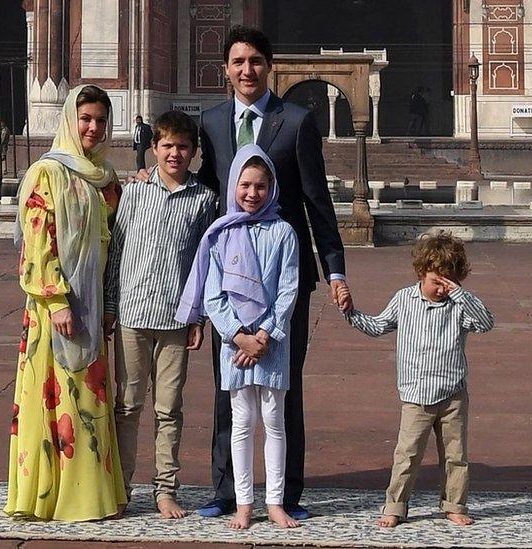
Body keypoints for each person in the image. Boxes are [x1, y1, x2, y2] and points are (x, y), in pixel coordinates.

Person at [193, 25, 352, 520]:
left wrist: (335, 269)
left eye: (256, 61)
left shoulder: (297, 120)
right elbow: (204, 191)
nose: (247, 70)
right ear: (226, 68)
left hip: (284, 274)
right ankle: (226, 490)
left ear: (268, 67)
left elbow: (316, 200)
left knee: (287, 386)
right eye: (238, 62)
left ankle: (288, 494)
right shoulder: (213, 122)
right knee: (228, 387)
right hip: (230, 277)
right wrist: (152, 179)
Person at [5, 84, 126, 522]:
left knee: (89, 401)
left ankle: (91, 495)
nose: (93, 128)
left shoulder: (104, 178)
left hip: (91, 304)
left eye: (99, 120)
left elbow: (118, 236)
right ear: (70, 122)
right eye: (85, 119)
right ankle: (54, 497)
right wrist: (56, 300)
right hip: (53, 308)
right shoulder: (48, 173)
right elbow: (39, 243)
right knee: (55, 400)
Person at [177, 144, 300, 529]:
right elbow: (213, 294)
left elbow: (288, 289)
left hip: (272, 343)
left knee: (274, 419)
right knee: (242, 420)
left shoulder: (283, 232)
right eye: (244, 185)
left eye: (260, 186)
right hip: (236, 344)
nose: (252, 194)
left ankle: (275, 501)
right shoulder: (221, 233)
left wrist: (263, 335)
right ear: (233, 186)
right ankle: (245, 502)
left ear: (272, 188)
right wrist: (239, 336)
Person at [104, 110, 218, 519]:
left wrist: (198, 317)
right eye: (167, 145)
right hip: (134, 313)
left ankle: (165, 490)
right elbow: (116, 251)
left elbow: (205, 264)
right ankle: (121, 484)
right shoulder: (134, 193)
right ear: (153, 148)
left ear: (194, 152)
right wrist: (111, 307)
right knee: (128, 405)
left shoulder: (204, 200)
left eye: (182, 146)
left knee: (169, 408)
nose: (174, 153)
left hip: (175, 317)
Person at [339, 231, 494, 528]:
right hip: (416, 393)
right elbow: (378, 326)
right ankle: (395, 505)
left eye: (449, 283)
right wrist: (351, 313)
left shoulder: (458, 304)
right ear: (422, 272)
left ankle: (454, 503)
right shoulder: (404, 299)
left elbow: (486, 323)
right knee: (407, 454)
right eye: (436, 281)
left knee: (455, 455)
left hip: (452, 393)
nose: (441, 289)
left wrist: (459, 294)